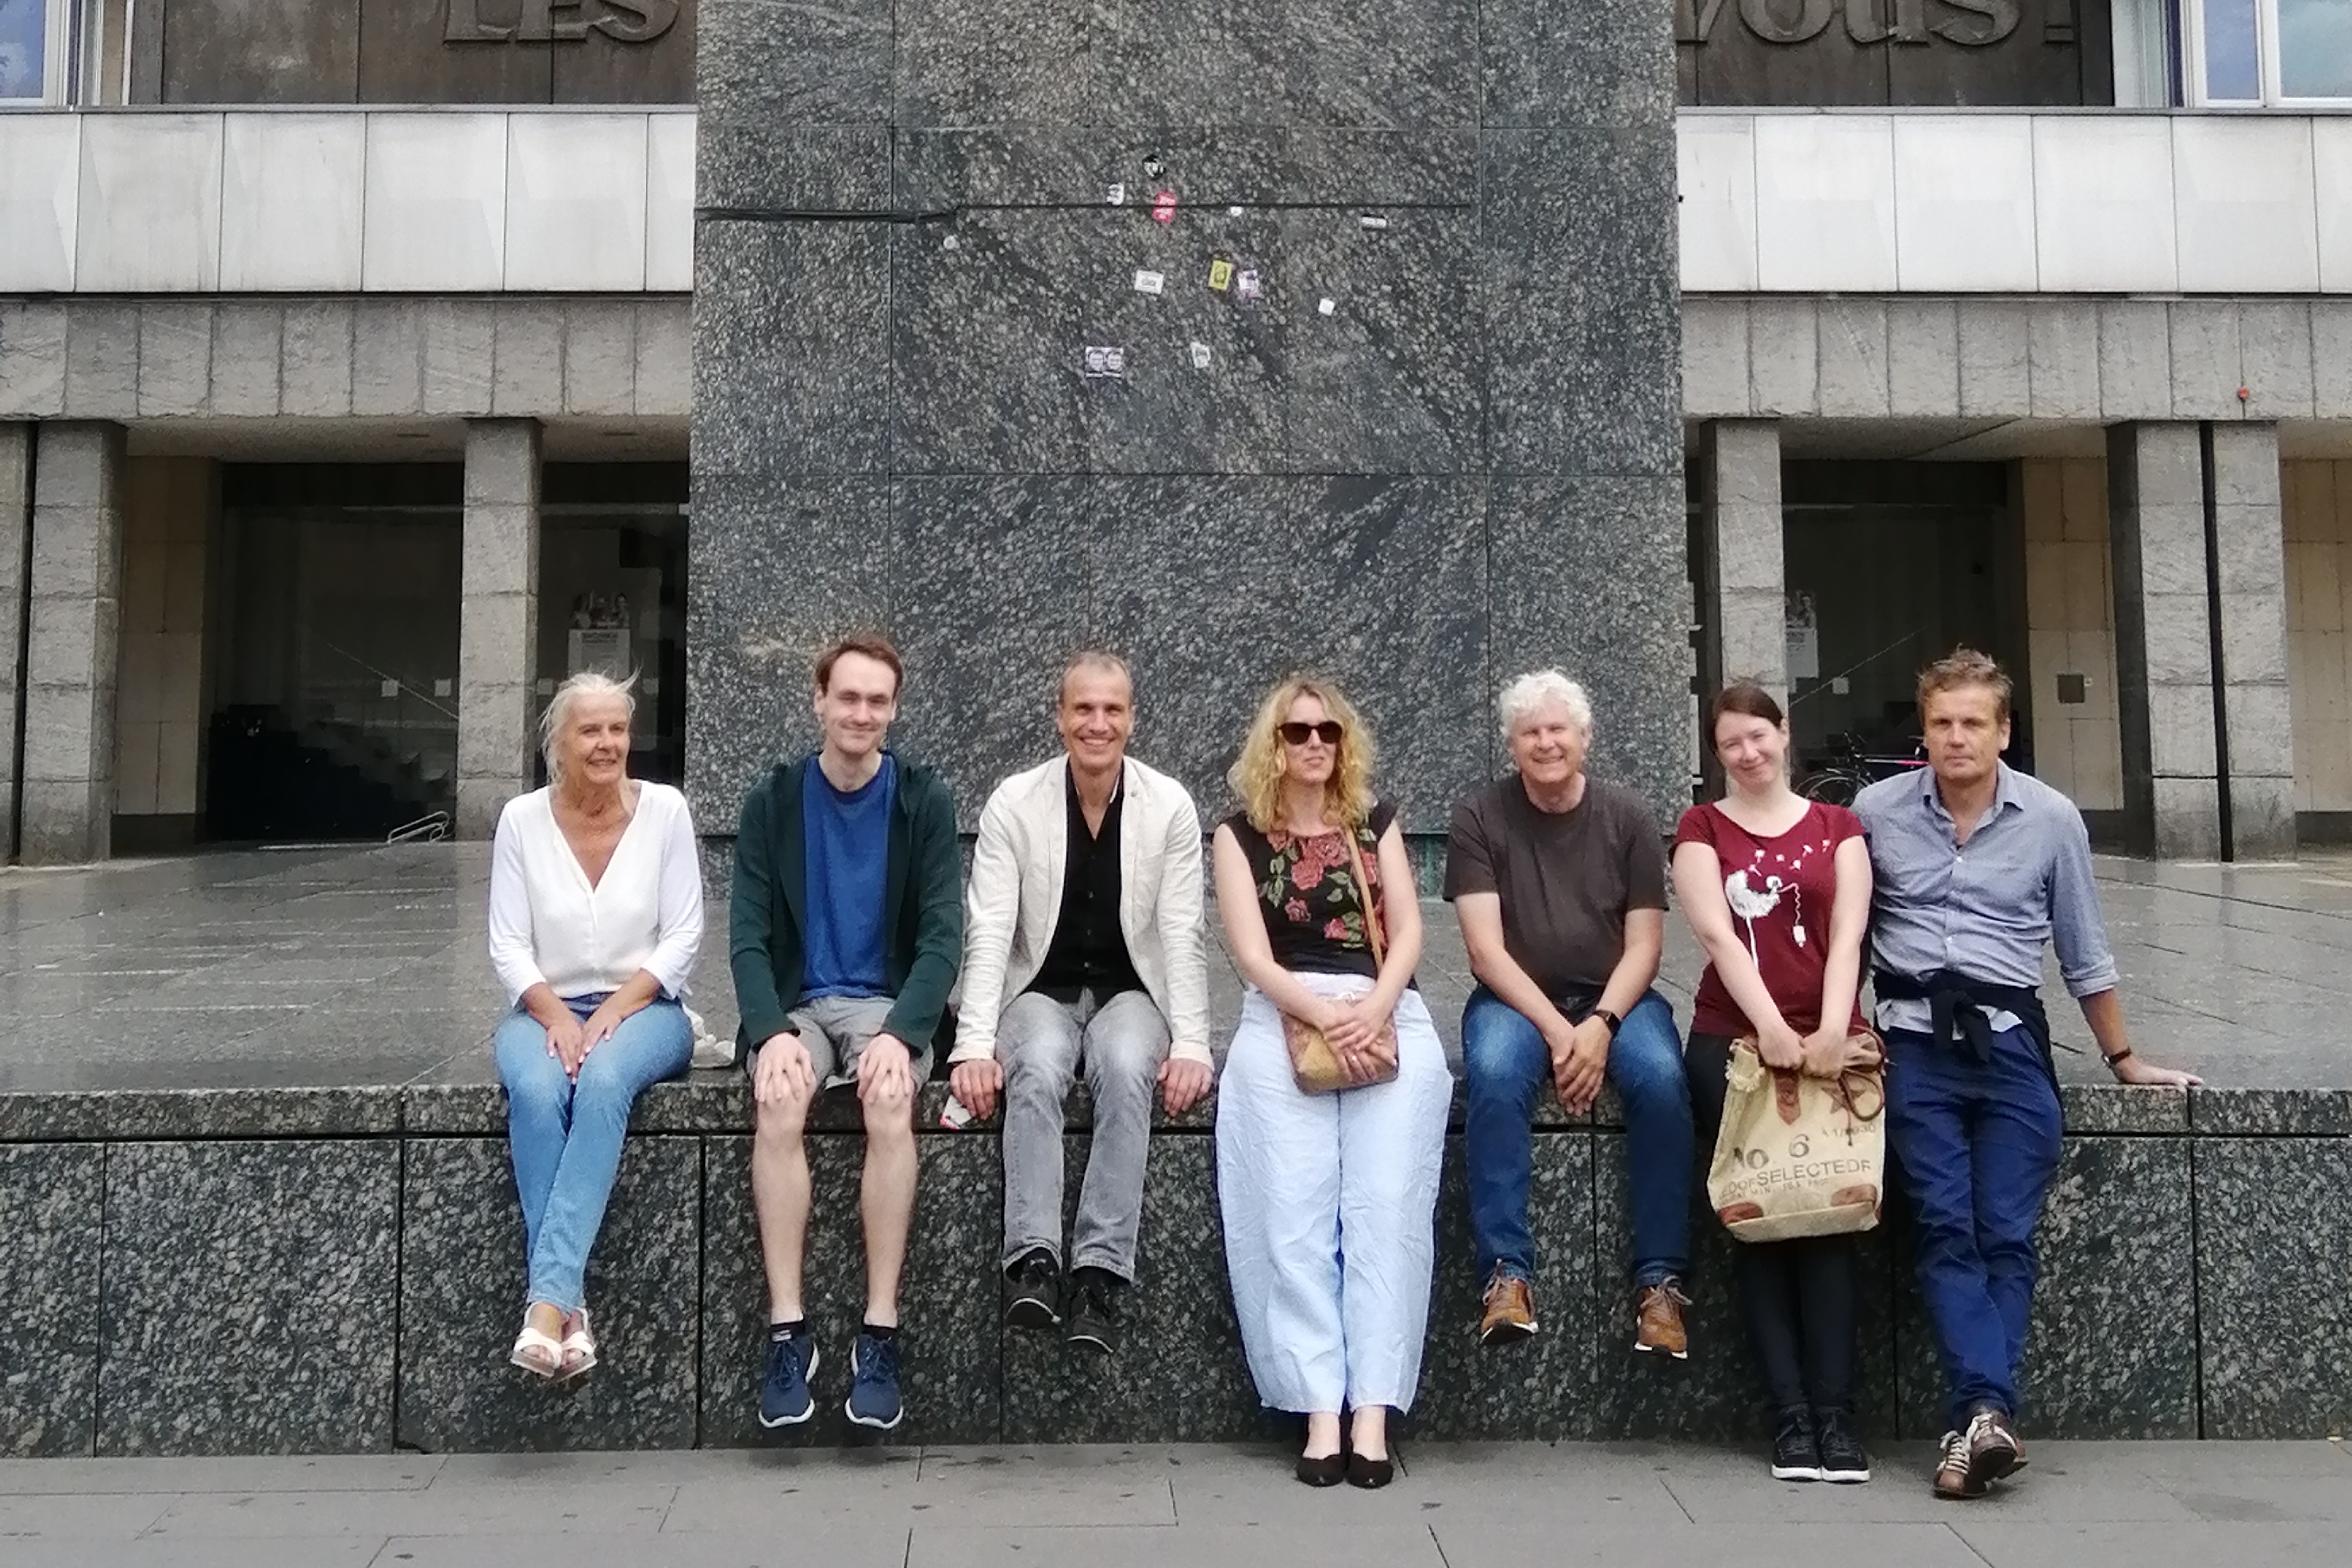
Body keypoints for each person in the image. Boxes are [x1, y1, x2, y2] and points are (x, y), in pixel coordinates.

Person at [1854, 648, 2199, 1500]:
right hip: (1912, 1043)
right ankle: (1986, 1412)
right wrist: (1836, 1032)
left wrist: (2123, 1059)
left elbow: (2084, 951)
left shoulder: (2050, 819)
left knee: (2004, 1232)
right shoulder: (1875, 812)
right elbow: (1846, 939)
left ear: (2004, 730)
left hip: (2009, 1046)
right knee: (1943, 1224)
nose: (1957, 737)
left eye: (1974, 722)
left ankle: (1976, 1422)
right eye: (1941, 723)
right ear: (1923, 732)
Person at [1211, 678, 1450, 1490]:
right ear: (1271, 745)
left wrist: (1374, 1007)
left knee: (1386, 1215)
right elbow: (1251, 952)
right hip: (1284, 1018)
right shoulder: (1239, 836)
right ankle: (1319, 1409)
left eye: (1329, 732)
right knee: (1290, 1215)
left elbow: (1411, 927)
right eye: (1296, 731)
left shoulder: (1372, 822)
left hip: (1386, 1013)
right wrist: (1324, 1016)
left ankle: (1372, 1414)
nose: (1314, 743)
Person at [949, 652, 1215, 1354]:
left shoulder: (1171, 806)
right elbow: (989, 930)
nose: (1098, 724)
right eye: (1083, 709)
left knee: (1128, 1067)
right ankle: (1034, 1261)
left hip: (1134, 992)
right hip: (1037, 988)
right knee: (1034, 1065)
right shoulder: (1014, 801)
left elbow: (1184, 933)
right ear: (1060, 717)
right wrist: (973, 1046)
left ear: (1132, 718)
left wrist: (1191, 1043)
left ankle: (1099, 1272)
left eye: (1113, 710)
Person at [729, 635, 963, 1432]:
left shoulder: (923, 800)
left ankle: (880, 1332)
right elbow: (748, 938)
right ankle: (788, 1331)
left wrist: (904, 1032)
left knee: (891, 1103)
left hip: (885, 1004)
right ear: (819, 701)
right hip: (800, 1002)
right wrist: (768, 1032)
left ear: (894, 709)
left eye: (877, 700)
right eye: (848, 697)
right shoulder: (773, 799)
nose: (861, 713)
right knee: (780, 1102)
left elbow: (941, 937)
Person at [1446, 671, 1694, 1355]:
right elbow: (1483, 952)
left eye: (1559, 729)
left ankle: (1661, 1285)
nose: (1546, 742)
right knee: (1493, 1075)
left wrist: (1601, 1025)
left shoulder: (1629, 816)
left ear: (1585, 738)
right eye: (1531, 732)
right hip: (1517, 1000)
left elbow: (1646, 943)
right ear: (1512, 744)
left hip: (1617, 999)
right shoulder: (1478, 817)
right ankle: (1505, 1276)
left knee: (1663, 1082)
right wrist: (1563, 1033)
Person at [1674, 682, 1879, 1484]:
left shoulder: (1840, 826)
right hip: (1735, 1045)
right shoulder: (1701, 829)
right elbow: (1717, 937)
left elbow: (1850, 932)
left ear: (1784, 734)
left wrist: (1831, 1030)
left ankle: (1838, 1416)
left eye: (1759, 736)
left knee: (1832, 1224)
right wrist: (1772, 1032)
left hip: (1833, 1045)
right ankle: (1789, 1420)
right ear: (1718, 751)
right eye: (1732, 743)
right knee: (1761, 1227)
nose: (1749, 753)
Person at [488, 672, 701, 1383]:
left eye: (618, 729)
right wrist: (554, 1014)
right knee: (535, 1087)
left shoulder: (666, 812)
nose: (607, 743)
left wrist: (611, 1012)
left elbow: (684, 934)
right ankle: (568, 1312)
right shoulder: (521, 821)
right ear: (560, 742)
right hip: (543, 1010)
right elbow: (508, 944)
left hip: (646, 1010)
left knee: (605, 1079)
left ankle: (545, 1304)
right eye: (590, 730)